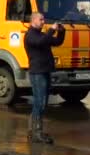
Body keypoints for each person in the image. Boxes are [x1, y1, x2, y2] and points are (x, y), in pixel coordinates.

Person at [24, 12, 66, 144]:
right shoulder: (30, 35)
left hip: (45, 71)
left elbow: (57, 42)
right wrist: (52, 30)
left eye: (43, 19)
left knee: (42, 103)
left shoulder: (42, 35)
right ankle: (36, 133)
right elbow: (42, 42)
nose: (43, 21)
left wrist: (61, 31)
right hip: (37, 73)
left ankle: (34, 131)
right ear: (33, 20)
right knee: (39, 103)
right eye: (41, 19)